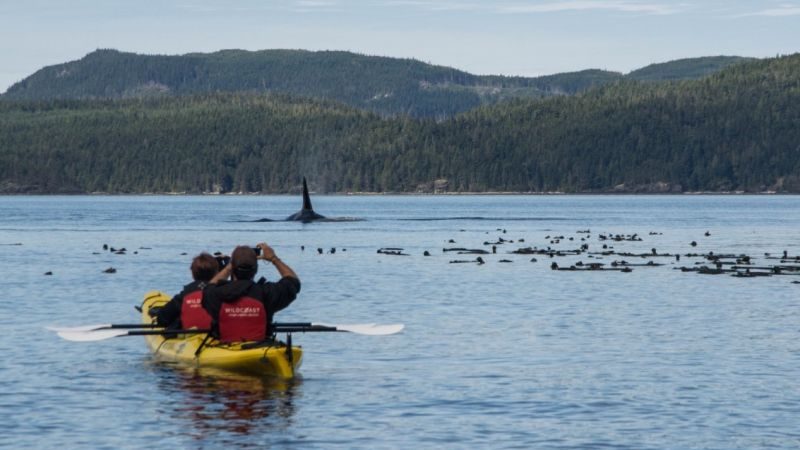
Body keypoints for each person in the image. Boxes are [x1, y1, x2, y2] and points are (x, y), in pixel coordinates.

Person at [202, 243, 300, 342]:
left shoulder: (216, 295)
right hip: (260, 348)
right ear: (256, 270)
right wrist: (274, 259)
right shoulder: (267, 293)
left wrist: (230, 266)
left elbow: (208, 288)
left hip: (225, 349)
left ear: (233, 269)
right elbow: (293, 283)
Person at [155, 252, 220, 329]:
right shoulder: (223, 293)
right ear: (216, 273)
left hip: (190, 334)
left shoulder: (185, 295)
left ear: (192, 274)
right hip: (215, 334)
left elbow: (162, 319)